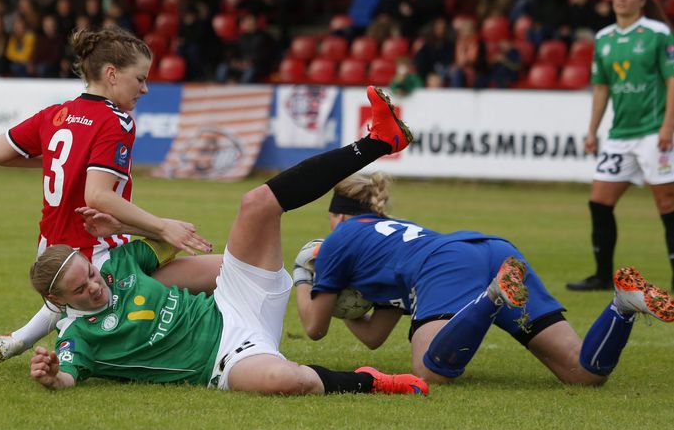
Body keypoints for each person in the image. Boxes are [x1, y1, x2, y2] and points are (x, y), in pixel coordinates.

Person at [29, 86, 429, 396]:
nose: (95, 285)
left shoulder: (115, 265)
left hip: (231, 299)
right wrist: (50, 376)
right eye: (81, 289)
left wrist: (122, 229)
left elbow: (167, 245)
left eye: (90, 274)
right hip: (224, 358)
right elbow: (67, 376)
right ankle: (371, 382)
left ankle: (378, 141)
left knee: (256, 203)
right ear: (61, 302)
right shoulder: (76, 337)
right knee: (286, 381)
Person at [293, 172, 674, 385]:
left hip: (446, 266)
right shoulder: (389, 239)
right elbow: (375, 337)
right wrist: (352, 310)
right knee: (583, 374)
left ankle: (491, 299)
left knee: (429, 372)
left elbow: (313, 327)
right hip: (490, 250)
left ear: (338, 217)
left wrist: (302, 273)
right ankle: (622, 305)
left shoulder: (338, 240)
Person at [0, 26, 216, 363]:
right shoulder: (116, 121)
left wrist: (64, 160)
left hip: (51, 253)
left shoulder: (56, 114)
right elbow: (99, 197)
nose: (145, 88)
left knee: (189, 261)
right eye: (139, 78)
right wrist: (162, 226)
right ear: (111, 74)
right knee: (201, 263)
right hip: (93, 252)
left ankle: (20, 339)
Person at [566, 0, 674, 291]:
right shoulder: (604, 38)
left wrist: (668, 126)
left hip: (654, 132)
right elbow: (601, 89)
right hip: (620, 136)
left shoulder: (658, 33)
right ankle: (602, 276)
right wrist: (591, 130)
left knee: (667, 204)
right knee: (599, 202)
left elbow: (672, 81)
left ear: (642, 0)